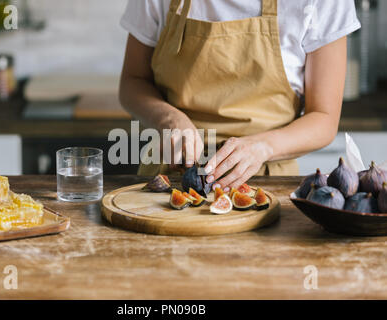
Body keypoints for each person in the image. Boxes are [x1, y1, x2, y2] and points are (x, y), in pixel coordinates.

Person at [119, 0, 361, 192]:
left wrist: (263, 147)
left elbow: (324, 118)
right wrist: (168, 119)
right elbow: (133, 82)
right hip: (169, 176)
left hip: (267, 182)